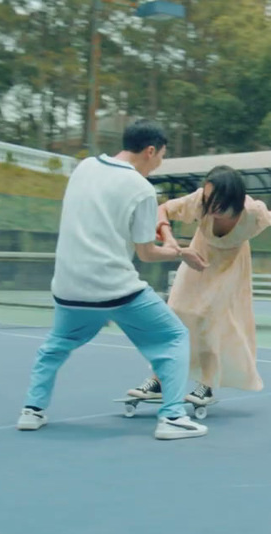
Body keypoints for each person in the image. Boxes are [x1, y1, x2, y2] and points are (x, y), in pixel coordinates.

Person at [16, 120, 211, 441]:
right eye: (161, 156)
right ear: (150, 151)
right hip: (114, 290)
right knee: (173, 337)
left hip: (68, 288)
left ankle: (31, 411)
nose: (160, 163)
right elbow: (147, 254)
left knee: (56, 347)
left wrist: (168, 244)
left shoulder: (84, 167)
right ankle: (173, 417)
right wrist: (180, 252)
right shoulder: (142, 189)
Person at [126, 165, 271, 405]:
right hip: (197, 260)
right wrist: (168, 236)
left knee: (210, 320)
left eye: (218, 200)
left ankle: (206, 386)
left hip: (230, 268)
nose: (211, 205)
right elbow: (163, 209)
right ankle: (159, 379)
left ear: (235, 199)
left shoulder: (253, 213)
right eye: (209, 198)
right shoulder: (200, 201)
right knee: (175, 314)